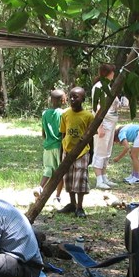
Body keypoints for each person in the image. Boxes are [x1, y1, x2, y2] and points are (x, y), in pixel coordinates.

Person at [59, 86, 94, 218]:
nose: (73, 99)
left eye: (76, 97)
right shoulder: (65, 114)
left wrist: (92, 152)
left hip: (82, 152)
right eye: (71, 97)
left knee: (80, 179)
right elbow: (63, 134)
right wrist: (61, 152)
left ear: (83, 99)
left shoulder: (88, 116)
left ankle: (80, 207)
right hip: (67, 150)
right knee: (68, 178)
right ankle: (72, 203)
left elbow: (90, 136)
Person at [91, 63, 126, 189]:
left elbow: (113, 104)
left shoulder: (108, 86)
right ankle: (99, 179)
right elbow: (97, 108)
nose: (114, 75)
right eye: (112, 72)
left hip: (112, 123)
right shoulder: (98, 87)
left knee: (107, 151)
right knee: (100, 150)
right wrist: (98, 126)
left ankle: (104, 176)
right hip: (103, 123)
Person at [34, 89, 65, 203]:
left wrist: (48, 139)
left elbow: (43, 132)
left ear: (51, 100)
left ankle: (40, 187)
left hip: (47, 145)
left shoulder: (45, 113)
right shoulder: (63, 113)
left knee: (48, 169)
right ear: (63, 100)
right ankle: (57, 196)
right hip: (59, 146)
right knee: (60, 172)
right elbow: (63, 132)